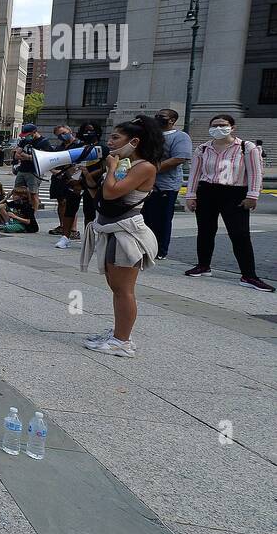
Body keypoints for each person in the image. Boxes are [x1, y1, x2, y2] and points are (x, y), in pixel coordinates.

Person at [79, 116, 164, 357]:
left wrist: (112, 168)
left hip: (127, 234)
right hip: (113, 231)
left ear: (134, 141)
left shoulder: (144, 166)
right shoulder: (127, 163)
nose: (111, 141)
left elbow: (113, 192)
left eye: (116, 137)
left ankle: (122, 341)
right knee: (116, 287)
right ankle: (118, 333)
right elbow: (103, 197)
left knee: (124, 290)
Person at [184, 115, 273, 291]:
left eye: (223, 125)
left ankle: (249, 275)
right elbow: (194, 173)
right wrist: (190, 195)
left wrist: (253, 195)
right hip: (207, 191)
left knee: (239, 233)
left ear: (232, 127)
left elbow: (256, 172)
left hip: (234, 192)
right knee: (205, 230)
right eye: (214, 126)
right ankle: (203, 265)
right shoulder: (202, 149)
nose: (218, 129)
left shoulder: (246, 147)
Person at [144, 108, 192, 260]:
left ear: (172, 120)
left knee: (161, 219)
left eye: (162, 117)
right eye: (156, 116)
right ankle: (145, 247)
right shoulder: (150, 135)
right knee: (145, 218)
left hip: (165, 185)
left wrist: (151, 169)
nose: (157, 118)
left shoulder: (180, 136)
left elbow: (179, 158)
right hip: (144, 184)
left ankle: (160, 250)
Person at [46, 125, 85, 249]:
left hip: (73, 178)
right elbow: (52, 162)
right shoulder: (59, 147)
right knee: (61, 202)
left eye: (64, 133)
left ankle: (72, 229)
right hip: (60, 178)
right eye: (59, 135)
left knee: (70, 202)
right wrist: (54, 171)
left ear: (70, 131)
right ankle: (63, 226)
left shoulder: (79, 145)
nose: (62, 136)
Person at [14, 123, 44, 212]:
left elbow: (40, 158)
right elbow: (17, 155)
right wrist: (30, 157)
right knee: (17, 191)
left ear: (34, 132)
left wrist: (25, 156)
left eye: (28, 135)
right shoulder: (24, 141)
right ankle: (18, 210)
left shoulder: (43, 142)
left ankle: (33, 213)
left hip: (34, 171)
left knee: (33, 193)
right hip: (22, 169)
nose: (26, 137)